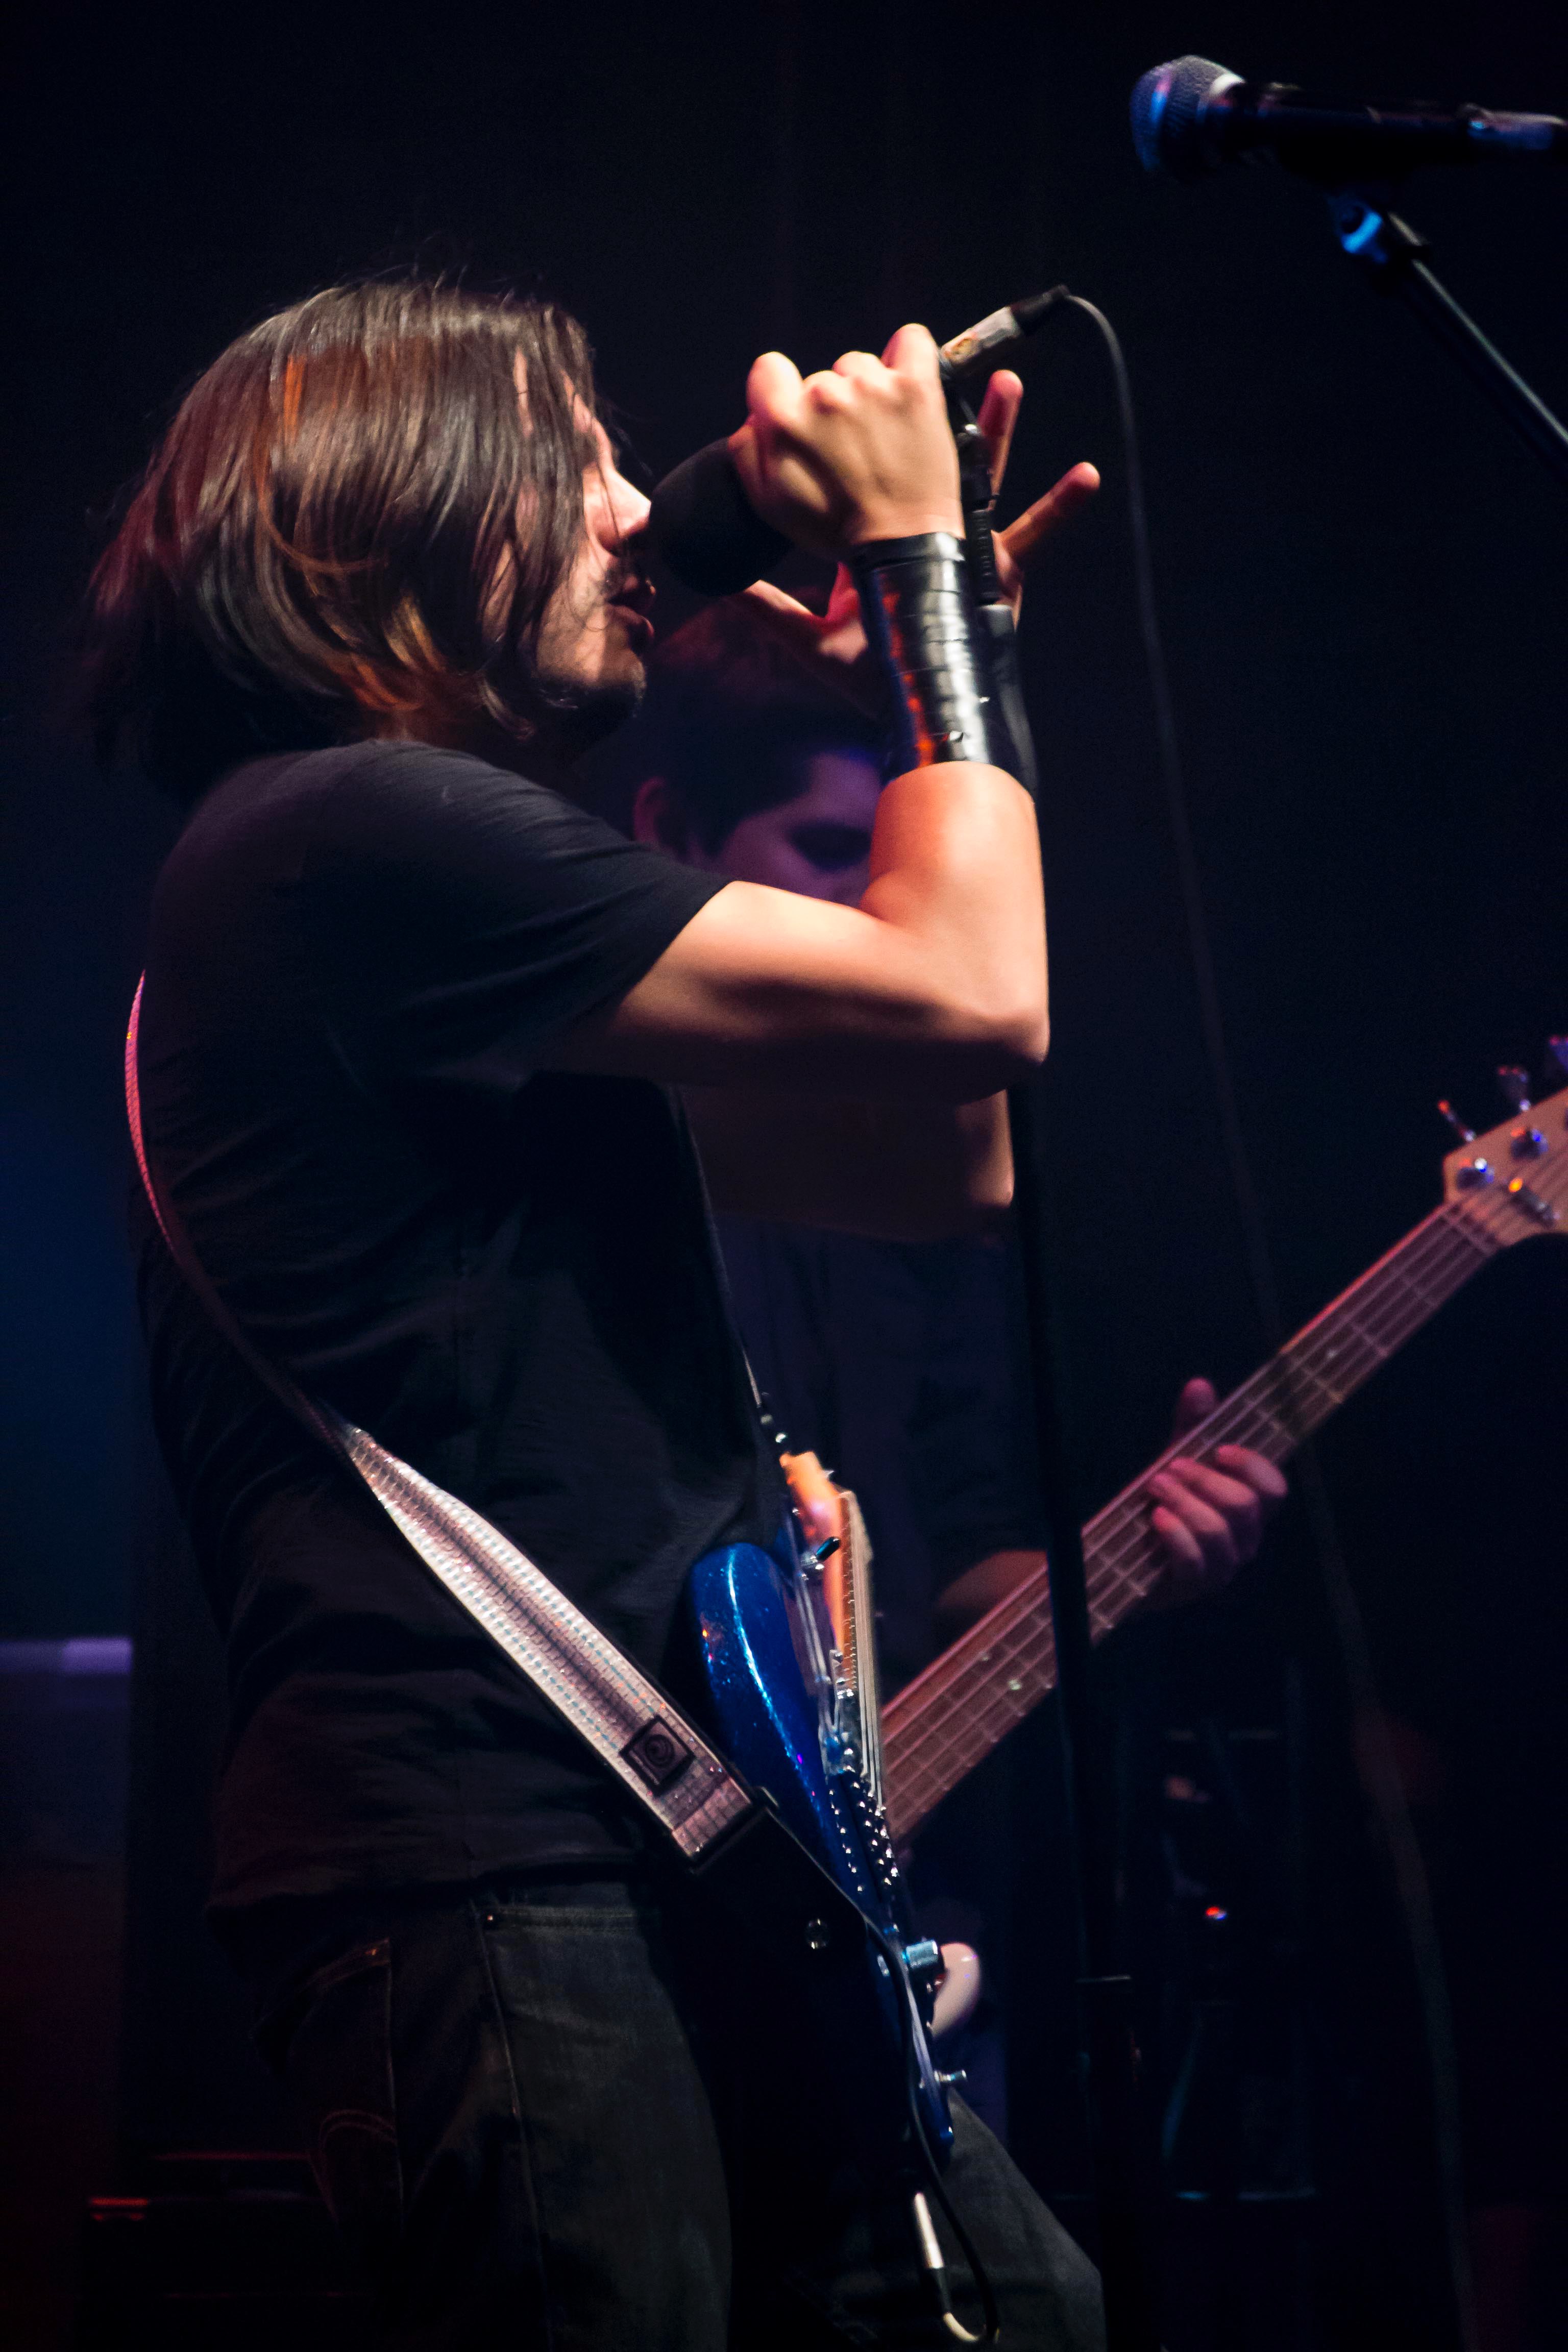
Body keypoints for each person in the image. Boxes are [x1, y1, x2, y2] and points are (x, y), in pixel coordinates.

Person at [85, 276, 1254, 2350]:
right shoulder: (348, 833)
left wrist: (917, 666)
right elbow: (983, 995)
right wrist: (919, 592)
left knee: (1019, 2313)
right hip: (492, 1861)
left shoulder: (407, 881)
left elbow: (944, 1148)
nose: (641, 507)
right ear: (412, 516)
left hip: (663, 1841)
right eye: (583, 461)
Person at [611, 604, 1287, 2129]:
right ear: (671, 828)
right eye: (829, 848)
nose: (878, 904)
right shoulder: (606, 1133)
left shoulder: (922, 1190)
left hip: (905, 1895)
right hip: (656, 1875)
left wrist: (1141, 1559)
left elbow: (966, 1550)